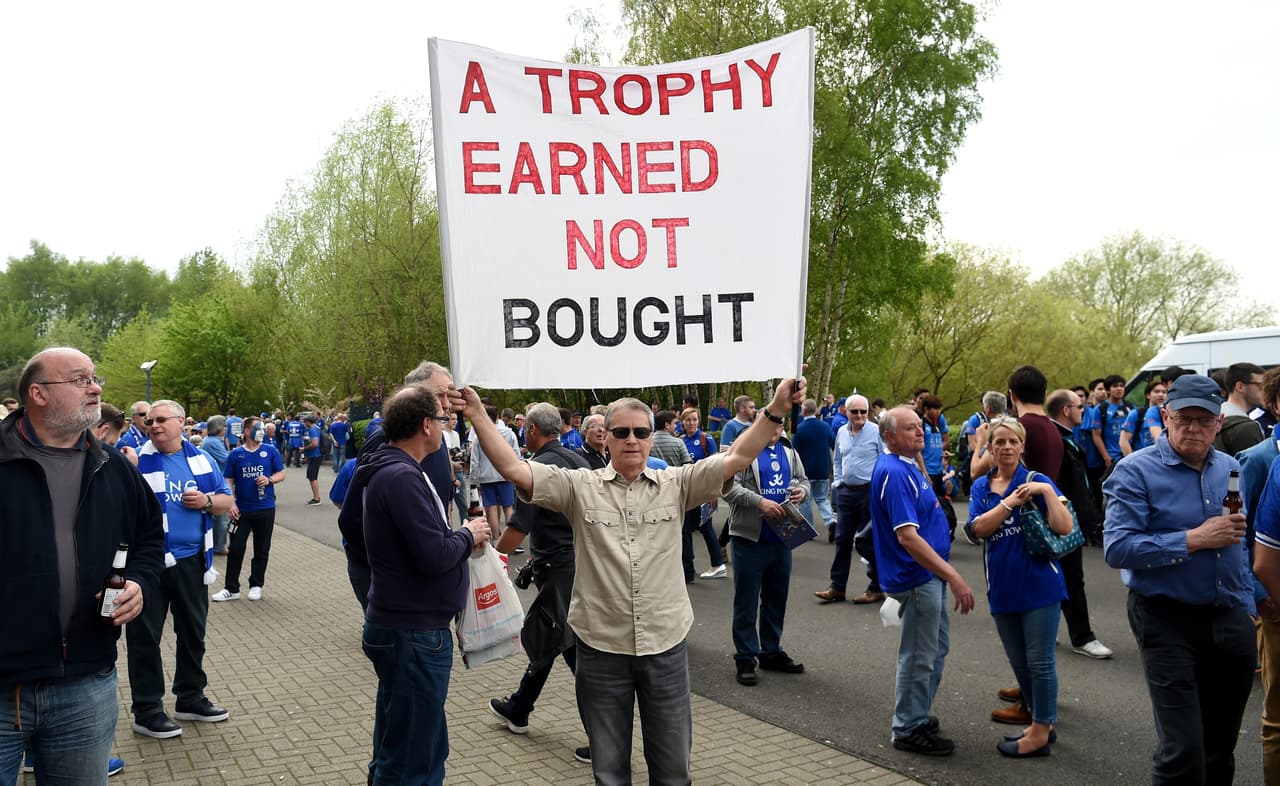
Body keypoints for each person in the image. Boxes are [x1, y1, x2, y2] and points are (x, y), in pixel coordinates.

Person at [459, 376, 807, 783]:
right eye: (621, 432)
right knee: (609, 772)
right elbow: (514, 469)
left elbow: (738, 456)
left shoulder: (677, 484)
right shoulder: (579, 486)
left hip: (664, 647)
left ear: (650, 438)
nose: (631, 440)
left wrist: (776, 408)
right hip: (600, 650)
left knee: (673, 772)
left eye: (641, 432)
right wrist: (477, 413)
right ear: (605, 438)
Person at [0, 348, 163, 784]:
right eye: (79, 380)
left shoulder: (114, 466)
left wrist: (140, 583)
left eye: (94, 378)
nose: (94, 388)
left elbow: (150, 538)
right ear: (38, 393)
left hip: (86, 687)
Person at [1103, 374, 1255, 784]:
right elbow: (1117, 548)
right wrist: (1193, 539)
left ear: (1218, 423)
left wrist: (1248, 605)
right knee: (1183, 750)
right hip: (1165, 618)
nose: (1193, 429)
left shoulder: (1231, 467)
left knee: (1220, 747)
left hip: (1229, 617)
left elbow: (1239, 541)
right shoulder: (1135, 470)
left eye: (1203, 420)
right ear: (1165, 417)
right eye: (1184, 419)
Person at [359, 385, 490, 784]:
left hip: (407, 627)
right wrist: (468, 534)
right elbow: (433, 555)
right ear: (426, 425)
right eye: (443, 418)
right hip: (413, 633)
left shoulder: (394, 471)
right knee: (411, 757)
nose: (447, 426)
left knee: (411, 741)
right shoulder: (401, 477)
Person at [485, 403, 591, 764]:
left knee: (570, 648)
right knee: (550, 639)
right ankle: (519, 708)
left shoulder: (536, 469)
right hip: (577, 563)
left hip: (559, 570)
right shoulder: (579, 460)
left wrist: (491, 562)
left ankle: (605, 737)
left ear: (531, 429)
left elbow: (519, 526)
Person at [126, 399, 234, 739]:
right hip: (148, 564)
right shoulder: (134, 461)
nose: (153, 425)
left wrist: (205, 501)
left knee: (192, 633)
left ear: (181, 422)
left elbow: (226, 501)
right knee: (145, 638)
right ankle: (147, 709)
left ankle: (190, 698)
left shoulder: (201, 460)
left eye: (161, 419)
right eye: (149, 421)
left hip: (192, 562)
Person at [871, 406, 976, 757]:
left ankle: (917, 713)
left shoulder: (907, 465)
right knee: (918, 654)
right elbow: (908, 537)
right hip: (916, 578)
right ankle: (908, 727)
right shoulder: (894, 472)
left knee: (935, 648)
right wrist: (953, 575)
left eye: (920, 426)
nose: (920, 432)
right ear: (889, 436)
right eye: (910, 428)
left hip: (928, 575)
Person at [967, 417, 1071, 758]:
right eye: (999, 442)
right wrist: (1009, 503)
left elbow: (1064, 526)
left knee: (1040, 662)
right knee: (1020, 662)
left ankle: (1041, 729)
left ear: (1023, 445)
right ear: (990, 448)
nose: (1007, 447)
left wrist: (1046, 492)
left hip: (1040, 585)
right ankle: (1042, 723)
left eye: (1013, 441)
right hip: (1002, 586)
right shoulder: (981, 487)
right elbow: (978, 529)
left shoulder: (1036, 480)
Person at [723, 419, 810, 686]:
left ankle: (771, 651)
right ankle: (745, 657)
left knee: (776, 598)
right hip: (750, 538)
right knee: (746, 601)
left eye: (779, 427)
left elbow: (804, 481)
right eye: (770, 426)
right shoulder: (743, 450)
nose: (774, 432)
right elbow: (727, 488)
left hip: (783, 537)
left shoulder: (790, 451)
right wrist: (760, 502)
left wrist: (802, 492)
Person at [816, 394, 884, 604]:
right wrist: (838, 481)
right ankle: (837, 587)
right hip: (846, 492)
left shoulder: (876, 431)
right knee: (842, 539)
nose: (860, 415)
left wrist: (879, 489)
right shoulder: (841, 432)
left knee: (868, 541)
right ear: (846, 412)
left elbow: (885, 460)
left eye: (864, 411)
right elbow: (837, 459)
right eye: (855, 411)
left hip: (869, 492)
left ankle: (876, 587)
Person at [212, 416, 286, 603]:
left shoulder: (270, 451)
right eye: (258, 428)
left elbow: (281, 473)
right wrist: (231, 503)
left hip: (265, 507)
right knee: (236, 548)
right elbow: (228, 480)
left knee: (261, 548)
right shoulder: (235, 455)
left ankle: (256, 585)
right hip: (241, 510)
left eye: (262, 428)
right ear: (246, 431)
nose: (262, 431)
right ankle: (231, 589)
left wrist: (269, 480)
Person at [679, 407, 726, 580]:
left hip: (704, 490)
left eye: (695, 419)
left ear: (699, 421)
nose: (692, 423)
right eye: (688, 420)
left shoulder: (706, 439)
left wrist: (713, 492)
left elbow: (716, 466)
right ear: (682, 422)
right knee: (686, 529)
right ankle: (688, 568)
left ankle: (717, 564)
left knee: (705, 527)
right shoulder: (681, 440)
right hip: (687, 490)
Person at [793, 398, 836, 542]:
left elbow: (794, 451)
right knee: (822, 498)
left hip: (805, 470)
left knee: (806, 500)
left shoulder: (799, 428)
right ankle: (831, 521)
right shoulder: (825, 426)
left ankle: (808, 529)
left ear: (803, 411)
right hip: (822, 469)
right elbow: (833, 444)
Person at [1214, 361, 1266, 455]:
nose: (1264, 390)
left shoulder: (1214, 418)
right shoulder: (1247, 427)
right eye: (1260, 385)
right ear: (1240, 387)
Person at [202, 415, 231, 555]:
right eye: (224, 426)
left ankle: (216, 545)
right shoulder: (212, 442)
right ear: (218, 427)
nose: (226, 428)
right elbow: (227, 459)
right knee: (221, 517)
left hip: (214, 481)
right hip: (217, 482)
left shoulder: (212, 441)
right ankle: (219, 546)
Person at [1120, 379, 1167, 456]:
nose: (1161, 395)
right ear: (1148, 395)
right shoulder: (1137, 414)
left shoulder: (1168, 415)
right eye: (1157, 391)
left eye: (1164, 392)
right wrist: (1132, 461)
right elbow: (1123, 441)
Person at [303, 415, 323, 505]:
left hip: (314, 455)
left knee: (312, 477)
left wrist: (304, 449)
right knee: (312, 476)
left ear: (308, 421)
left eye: (305, 422)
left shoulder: (312, 430)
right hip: (317, 455)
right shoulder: (317, 428)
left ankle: (316, 498)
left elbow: (315, 443)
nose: (304, 424)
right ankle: (316, 497)